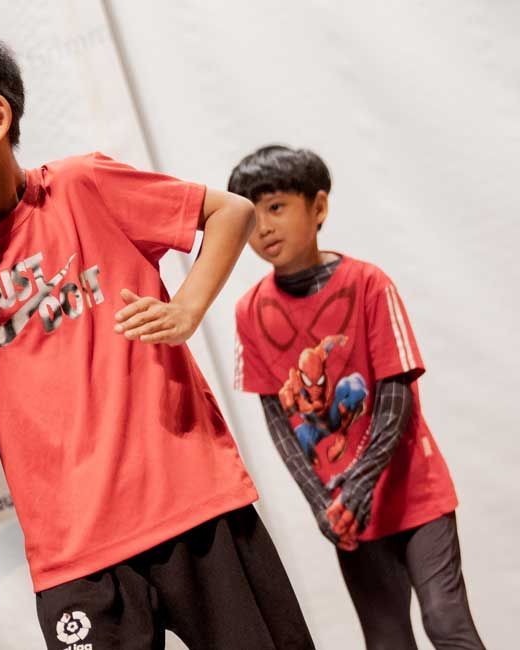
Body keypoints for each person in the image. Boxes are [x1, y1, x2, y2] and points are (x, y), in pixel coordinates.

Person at [0, 24, 313, 649]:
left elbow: (229, 212)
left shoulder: (81, 186)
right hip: (75, 554)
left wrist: (187, 308)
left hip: (192, 504)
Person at [231, 144, 484, 649]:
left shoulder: (369, 284)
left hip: (414, 496)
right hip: (346, 512)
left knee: (445, 623)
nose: (263, 227)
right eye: (250, 214)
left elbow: (397, 397)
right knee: (385, 639)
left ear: (318, 207)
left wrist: (359, 487)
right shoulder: (249, 311)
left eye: (276, 207)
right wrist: (324, 504)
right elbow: (279, 422)